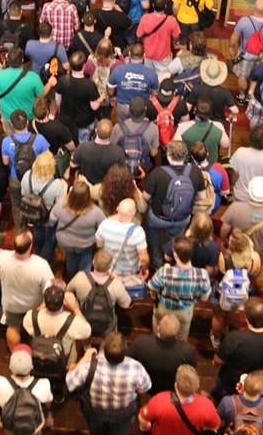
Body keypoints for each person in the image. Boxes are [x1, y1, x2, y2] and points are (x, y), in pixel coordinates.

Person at [65, 332, 151, 435]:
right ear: (125, 349)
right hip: (123, 412)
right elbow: (145, 388)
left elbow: (70, 382)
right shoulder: (136, 368)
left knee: (98, 433)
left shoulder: (89, 365)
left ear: (103, 350)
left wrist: (85, 357)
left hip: (97, 410)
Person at [143, 140, 207, 270]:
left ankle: (157, 264)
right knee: (175, 241)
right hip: (182, 218)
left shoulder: (157, 173)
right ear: (185, 155)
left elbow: (145, 197)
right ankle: (171, 264)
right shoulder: (195, 172)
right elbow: (202, 197)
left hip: (158, 217)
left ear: (168, 155)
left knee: (154, 240)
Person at [0, 230, 54, 350]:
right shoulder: (41, 265)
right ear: (30, 246)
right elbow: (50, 290)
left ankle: (16, 354)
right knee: (36, 331)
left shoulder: (2, 258)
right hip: (34, 306)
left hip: (11, 305)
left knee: (13, 328)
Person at [139, 364, 221, 435]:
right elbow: (215, 425)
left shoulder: (159, 400)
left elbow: (143, 419)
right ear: (197, 386)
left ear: (175, 385)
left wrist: (146, 427)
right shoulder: (207, 405)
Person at [0, 345, 53, 435]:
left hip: (9, 422)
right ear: (32, 366)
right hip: (33, 424)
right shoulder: (43, 384)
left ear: (10, 367)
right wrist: (49, 415)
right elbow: (48, 402)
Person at [147, 237, 211, 341]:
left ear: (175, 255)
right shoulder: (202, 275)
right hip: (185, 311)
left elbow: (151, 286)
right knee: (182, 337)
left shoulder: (164, 272)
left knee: (159, 331)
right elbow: (204, 298)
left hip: (164, 308)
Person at [65, 249, 133, 337]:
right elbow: (126, 304)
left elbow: (67, 291)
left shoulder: (80, 277)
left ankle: (87, 347)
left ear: (93, 262)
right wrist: (117, 280)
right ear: (109, 267)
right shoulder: (116, 284)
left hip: (83, 319)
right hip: (107, 324)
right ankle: (103, 348)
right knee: (112, 326)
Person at [126, 312, 197, 395]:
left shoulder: (140, 342)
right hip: (171, 390)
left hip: (147, 387)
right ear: (177, 333)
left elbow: (127, 362)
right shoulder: (186, 350)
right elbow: (191, 370)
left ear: (158, 328)